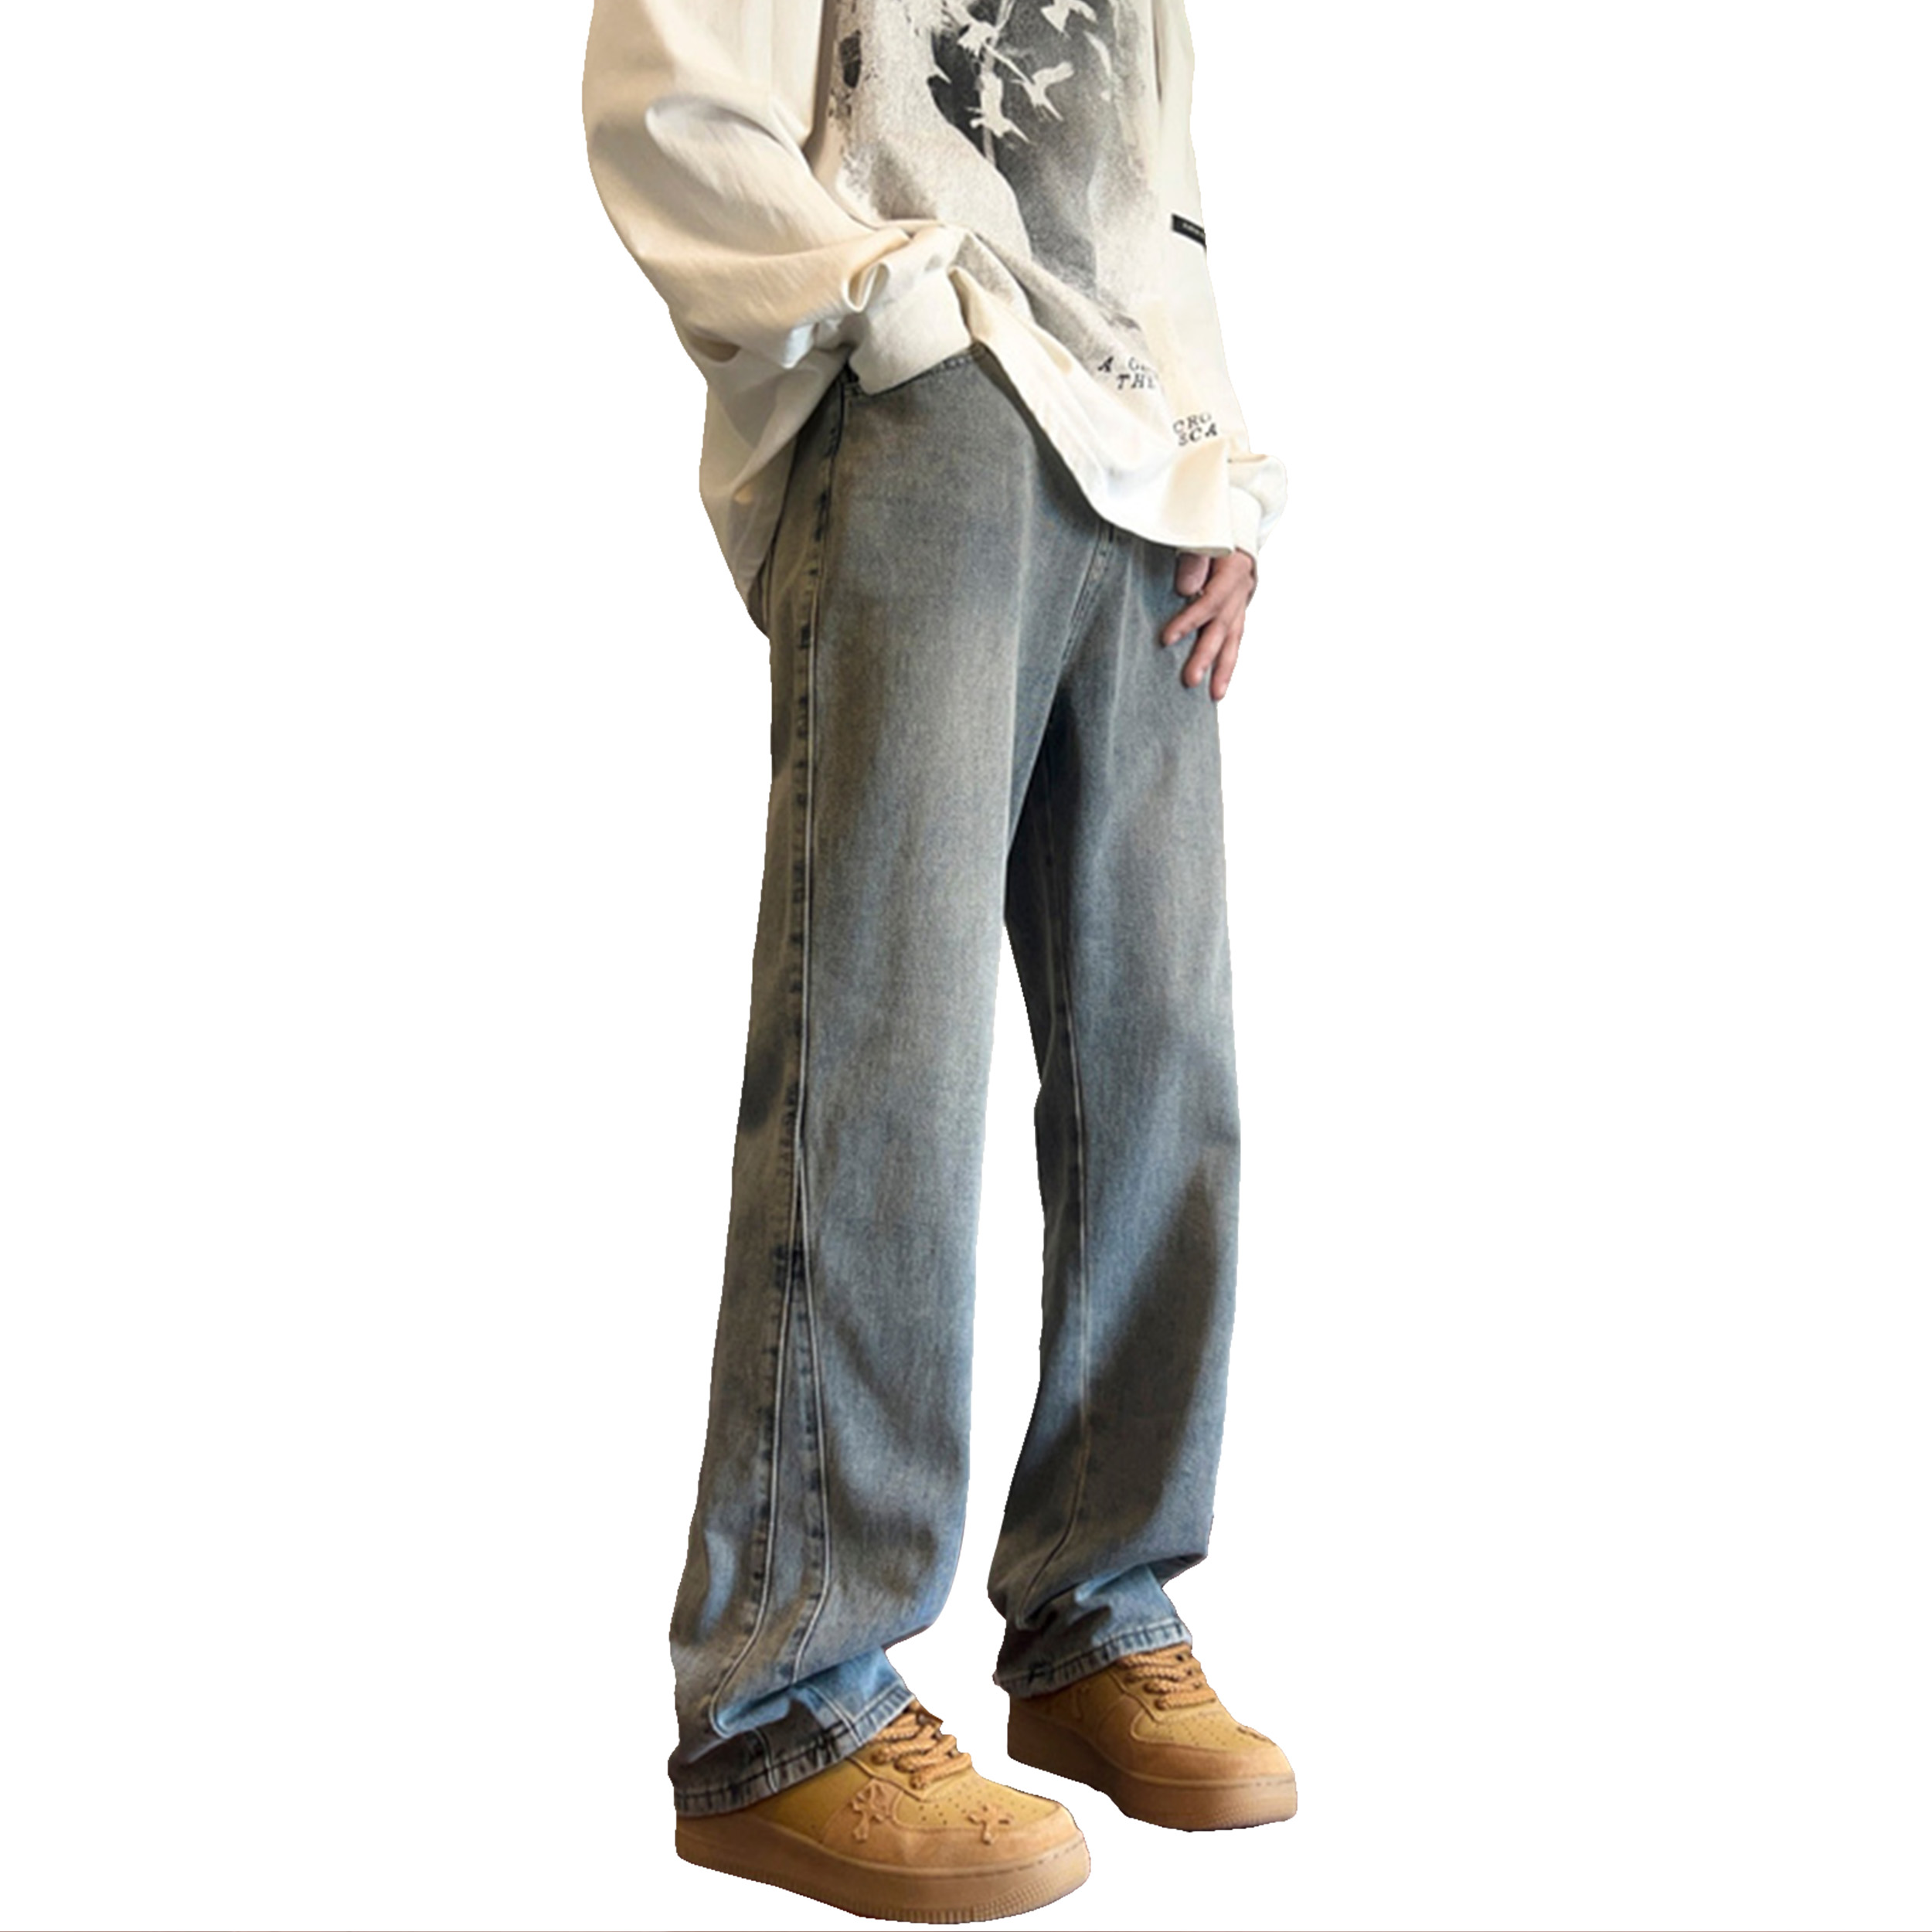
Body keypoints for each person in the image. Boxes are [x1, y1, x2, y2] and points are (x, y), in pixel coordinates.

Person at [583, 0, 1294, 1918]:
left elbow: (1150, 203)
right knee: (883, 1055)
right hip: (932, 422)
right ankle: (784, 1699)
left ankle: (1096, 1609)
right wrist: (895, 318)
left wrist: (1219, 464)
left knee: (1162, 1066)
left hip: (1142, 483)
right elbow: (670, 100)